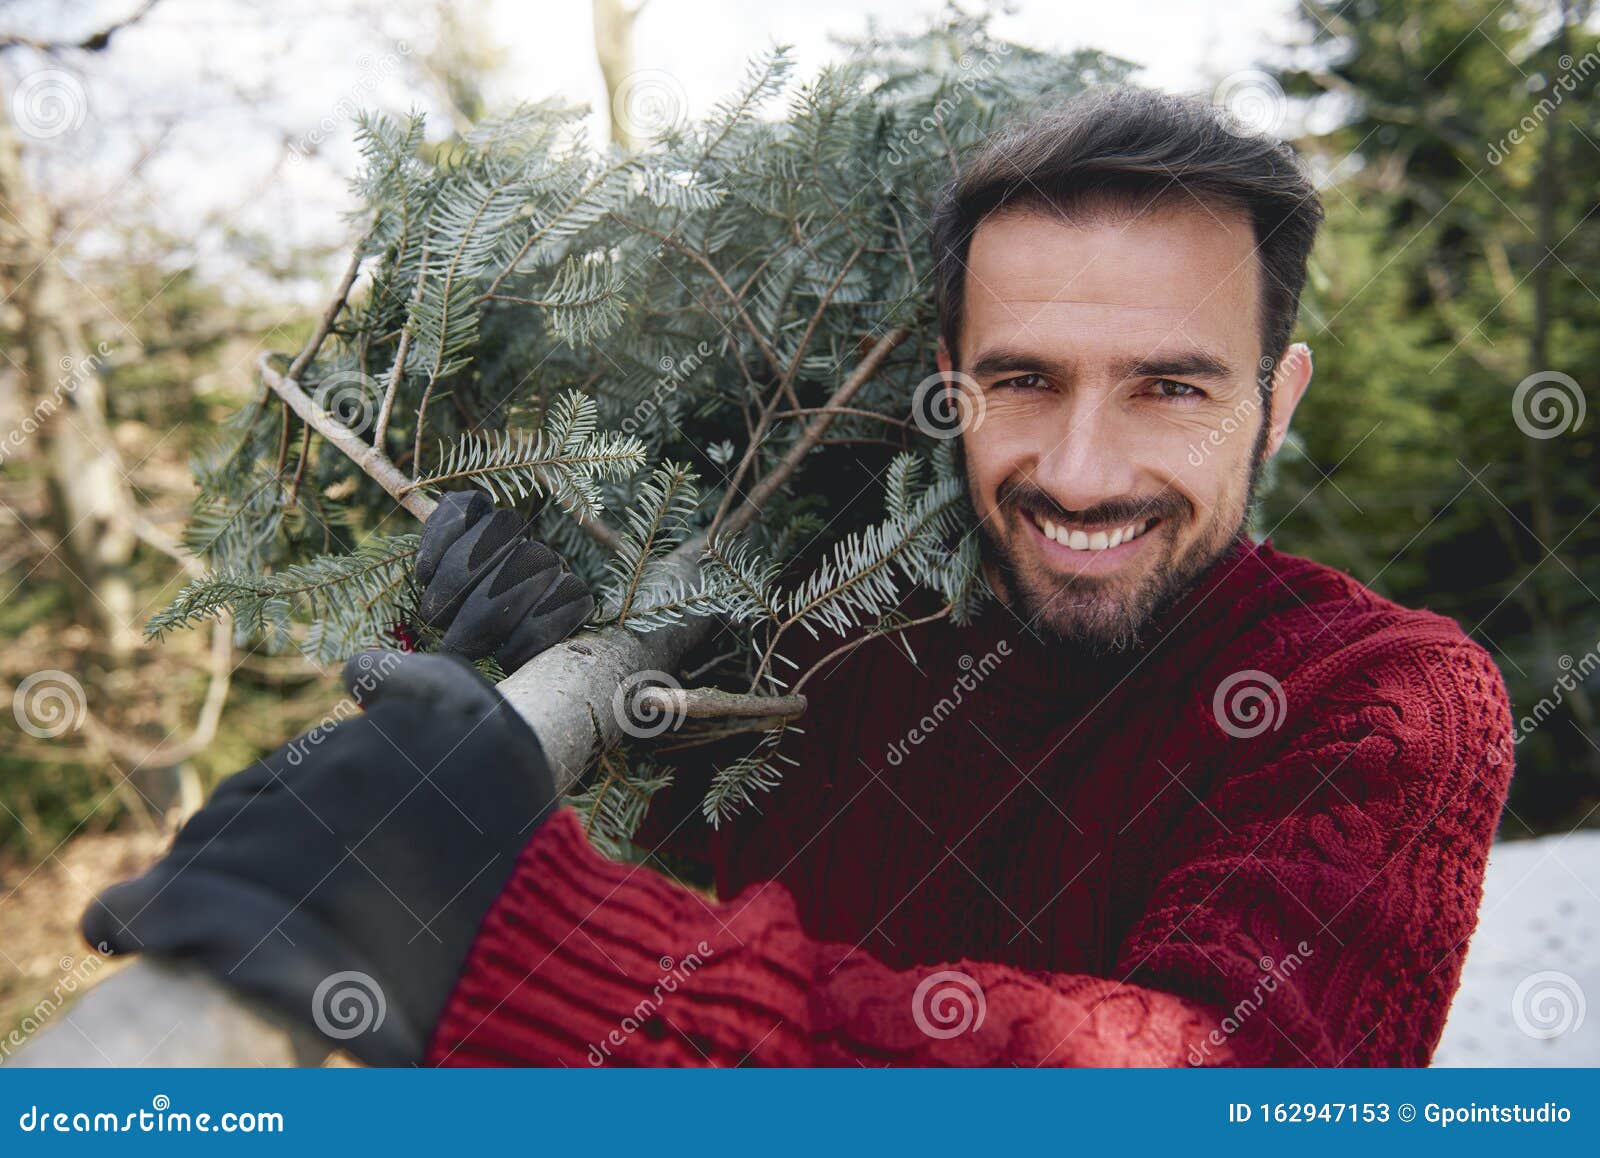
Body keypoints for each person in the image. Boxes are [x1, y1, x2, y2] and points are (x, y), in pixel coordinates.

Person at [83, 87, 1514, 1068]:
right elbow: (665, 832)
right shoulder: (839, 646)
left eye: (1169, 389)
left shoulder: (1382, 698)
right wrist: (491, 669)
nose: (1081, 471)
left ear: (1277, 401)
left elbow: (1225, 1081)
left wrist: (508, 943)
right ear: (948, 387)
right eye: (1024, 380)